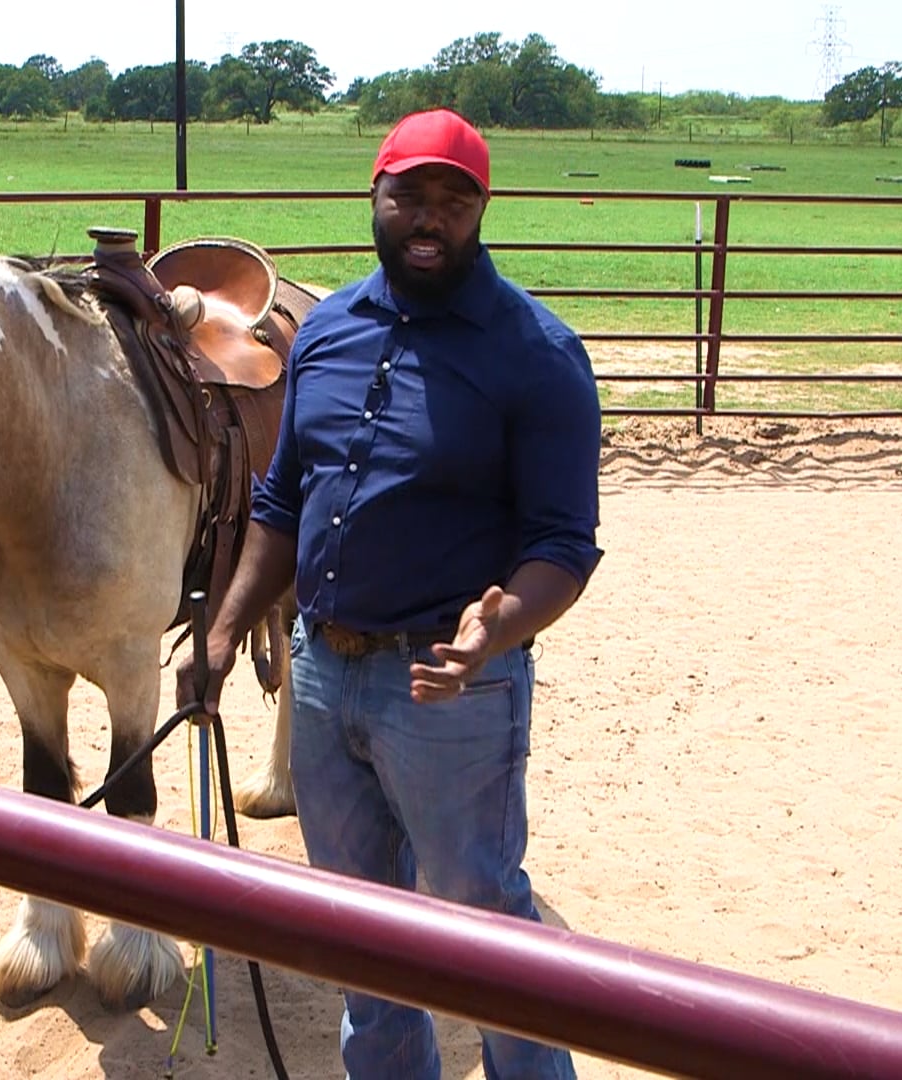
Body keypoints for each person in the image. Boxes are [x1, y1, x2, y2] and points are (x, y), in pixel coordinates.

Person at [175, 108, 603, 1080]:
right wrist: (225, 624)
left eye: (453, 201)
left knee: (485, 928)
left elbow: (563, 545)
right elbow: (283, 498)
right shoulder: (324, 332)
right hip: (324, 681)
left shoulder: (537, 356)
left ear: (481, 210)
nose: (428, 218)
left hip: (450, 694)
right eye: (409, 194)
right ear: (374, 196)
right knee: (362, 937)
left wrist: (502, 627)